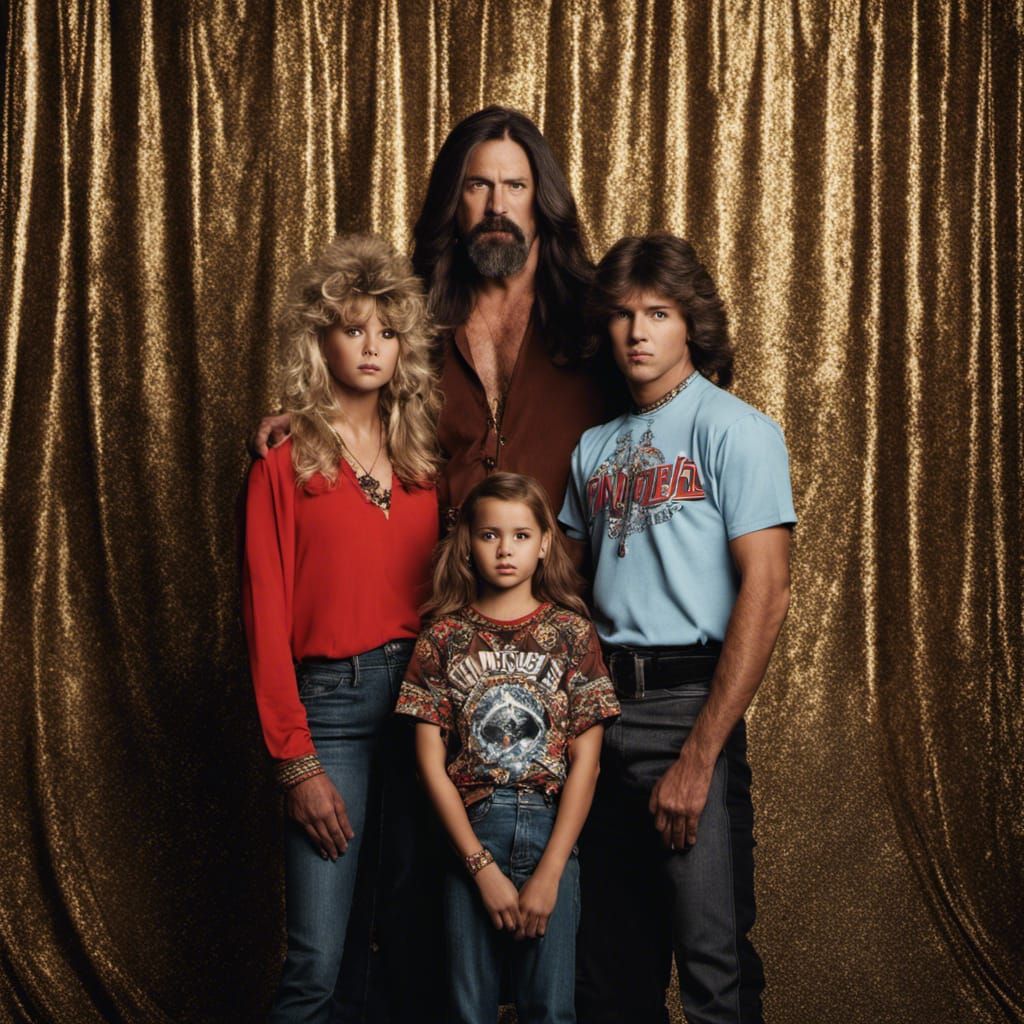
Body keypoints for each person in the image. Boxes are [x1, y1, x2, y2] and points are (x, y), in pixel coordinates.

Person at [558, 234, 796, 1024]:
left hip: (687, 709)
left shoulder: (737, 430)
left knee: (712, 968)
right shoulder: (593, 448)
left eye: (657, 313)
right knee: (607, 975)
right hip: (600, 715)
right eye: (623, 315)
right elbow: (559, 586)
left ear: (690, 323)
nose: (637, 332)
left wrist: (700, 758)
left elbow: (767, 592)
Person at [242, 234, 442, 1023]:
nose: (371, 347)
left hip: (425, 707)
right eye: (353, 328)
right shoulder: (282, 462)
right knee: (318, 958)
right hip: (331, 709)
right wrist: (297, 765)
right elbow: (263, 620)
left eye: (387, 332)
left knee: (404, 940)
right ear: (319, 337)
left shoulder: (425, 456)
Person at [252, 106, 620, 520]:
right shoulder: (408, 316)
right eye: (477, 185)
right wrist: (312, 423)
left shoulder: (600, 314)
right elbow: (363, 396)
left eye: (515, 185)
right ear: (453, 200)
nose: (496, 206)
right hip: (438, 577)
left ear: (542, 199)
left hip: (567, 579)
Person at [395, 472, 620, 1024]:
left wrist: (552, 871)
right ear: (468, 543)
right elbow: (429, 764)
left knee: (550, 1009)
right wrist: (478, 866)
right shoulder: (442, 638)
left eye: (521, 535)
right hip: (471, 827)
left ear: (545, 543)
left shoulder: (571, 633)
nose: (505, 549)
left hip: (553, 825)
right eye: (490, 534)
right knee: (467, 1009)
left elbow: (586, 763)